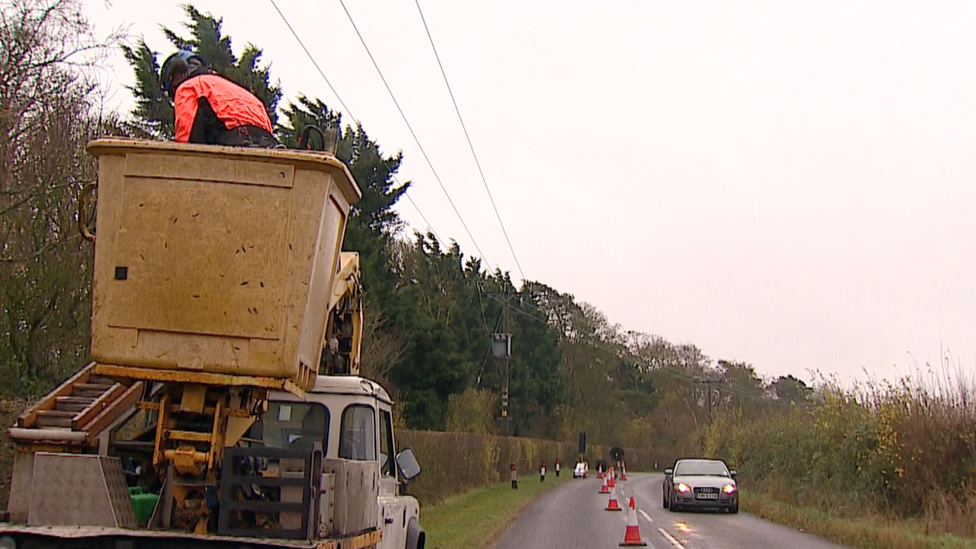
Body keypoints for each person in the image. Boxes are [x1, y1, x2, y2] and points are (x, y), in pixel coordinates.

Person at [160, 50, 276, 147]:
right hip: (269, 145)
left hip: (232, 143)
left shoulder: (190, 86)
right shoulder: (238, 90)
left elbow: (185, 136)